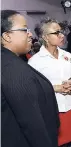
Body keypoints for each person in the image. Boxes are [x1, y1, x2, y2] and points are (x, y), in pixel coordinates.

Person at [1, 10, 59, 147]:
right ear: (7, 36)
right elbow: (32, 124)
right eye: (25, 30)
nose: (30, 34)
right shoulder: (13, 69)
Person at [28, 18, 71, 147]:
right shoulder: (35, 62)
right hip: (51, 110)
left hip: (70, 106)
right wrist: (57, 88)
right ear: (45, 37)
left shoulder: (67, 55)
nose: (62, 35)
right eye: (56, 33)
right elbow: (32, 89)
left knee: (69, 142)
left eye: (61, 32)